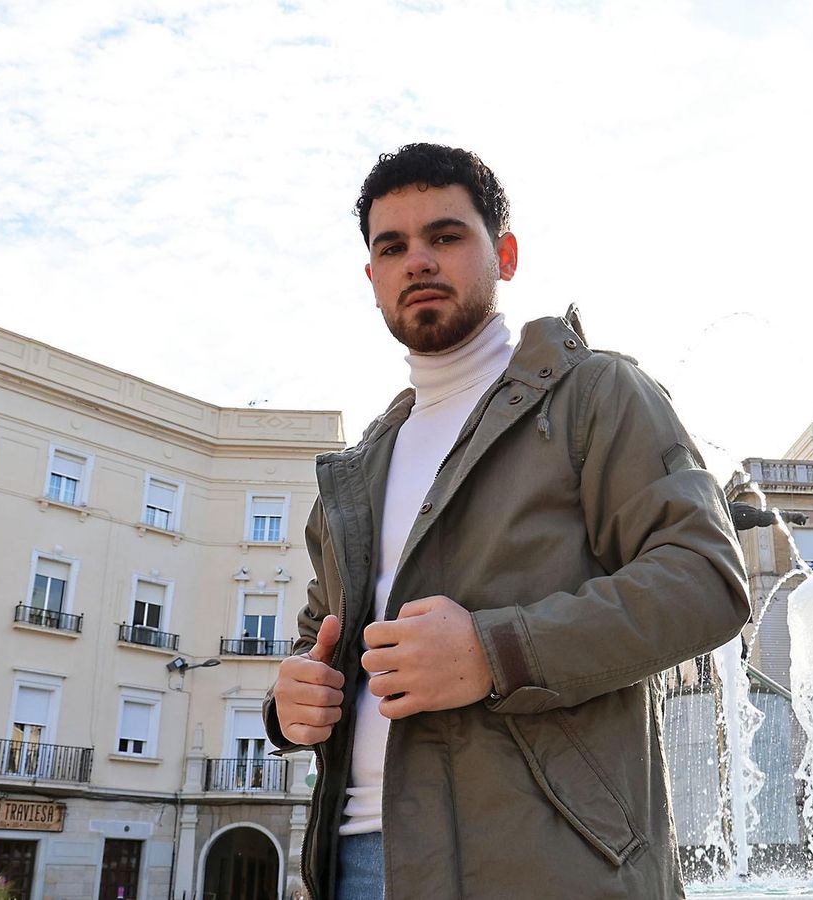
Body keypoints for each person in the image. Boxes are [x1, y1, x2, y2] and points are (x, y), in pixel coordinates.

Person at [266, 143, 749, 900]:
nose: (417, 260)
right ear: (372, 277)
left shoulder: (596, 395)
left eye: (446, 236)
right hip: (354, 865)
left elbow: (705, 579)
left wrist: (496, 653)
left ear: (506, 254)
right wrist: (291, 695)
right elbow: (319, 633)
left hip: (548, 866)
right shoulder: (355, 473)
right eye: (392, 247)